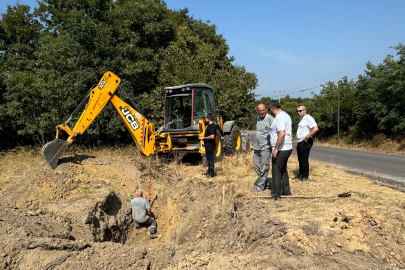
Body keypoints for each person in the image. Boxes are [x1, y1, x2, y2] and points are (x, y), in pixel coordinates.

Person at [268, 100, 293, 200]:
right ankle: (286, 191)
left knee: (276, 171)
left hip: (282, 149)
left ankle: (276, 195)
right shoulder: (286, 115)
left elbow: (282, 134)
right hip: (287, 148)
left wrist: (276, 149)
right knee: (283, 170)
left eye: (269, 109)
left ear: (273, 108)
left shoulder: (280, 117)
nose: (270, 111)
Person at [251, 104, 274, 192]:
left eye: (263, 110)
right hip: (257, 147)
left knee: (264, 167)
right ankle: (267, 183)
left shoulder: (270, 119)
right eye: (260, 110)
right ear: (257, 111)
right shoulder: (258, 118)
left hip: (266, 147)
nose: (262, 112)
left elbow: (275, 131)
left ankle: (260, 187)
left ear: (266, 110)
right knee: (257, 166)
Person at [295, 105, 319, 181]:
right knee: (300, 159)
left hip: (305, 141)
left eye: (300, 111)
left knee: (304, 159)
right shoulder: (301, 119)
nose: (298, 112)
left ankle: (305, 176)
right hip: (300, 141)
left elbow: (315, 128)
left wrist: (307, 136)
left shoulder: (308, 118)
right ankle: (300, 174)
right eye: (297, 111)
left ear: (305, 110)